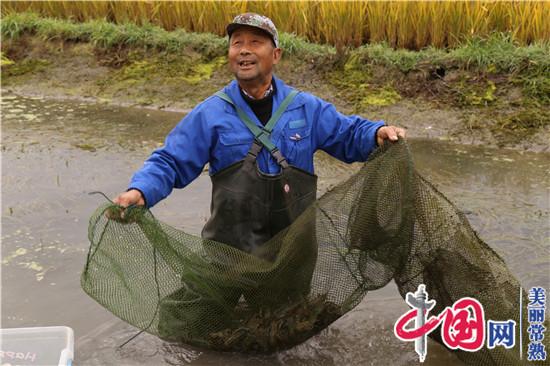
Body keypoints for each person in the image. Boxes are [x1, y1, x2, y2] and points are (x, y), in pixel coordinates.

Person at [112, 13, 405, 340]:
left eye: (255, 42)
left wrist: (376, 133)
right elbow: (170, 160)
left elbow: (348, 133)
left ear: (275, 55)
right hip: (228, 250)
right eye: (237, 43)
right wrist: (140, 191)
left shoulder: (304, 108)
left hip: (291, 256)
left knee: (284, 332)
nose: (244, 50)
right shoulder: (210, 113)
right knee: (184, 326)